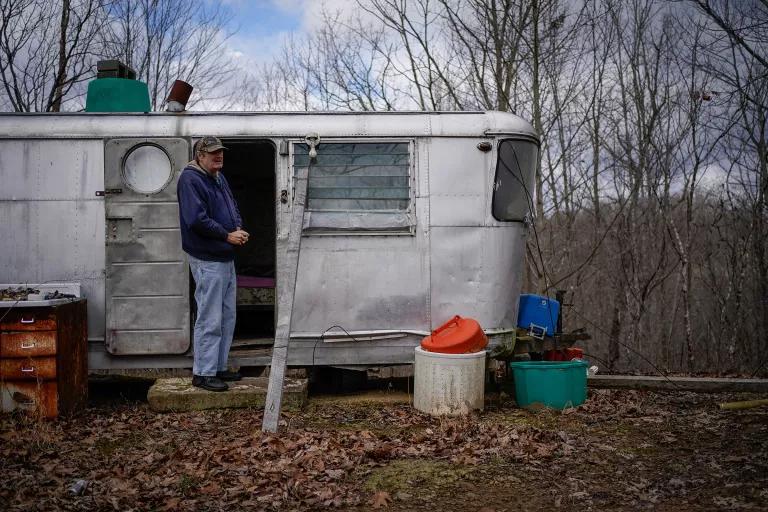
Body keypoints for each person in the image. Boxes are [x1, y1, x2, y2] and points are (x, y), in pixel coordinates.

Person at [177, 136, 249, 392]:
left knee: (227, 315)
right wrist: (226, 235)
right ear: (200, 156)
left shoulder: (218, 177)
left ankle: (218, 367)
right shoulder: (191, 179)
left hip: (224, 255)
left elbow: (232, 206)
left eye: (220, 152)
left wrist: (237, 226)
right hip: (208, 257)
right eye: (212, 153)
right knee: (210, 316)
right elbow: (196, 219)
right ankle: (203, 373)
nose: (218, 156)